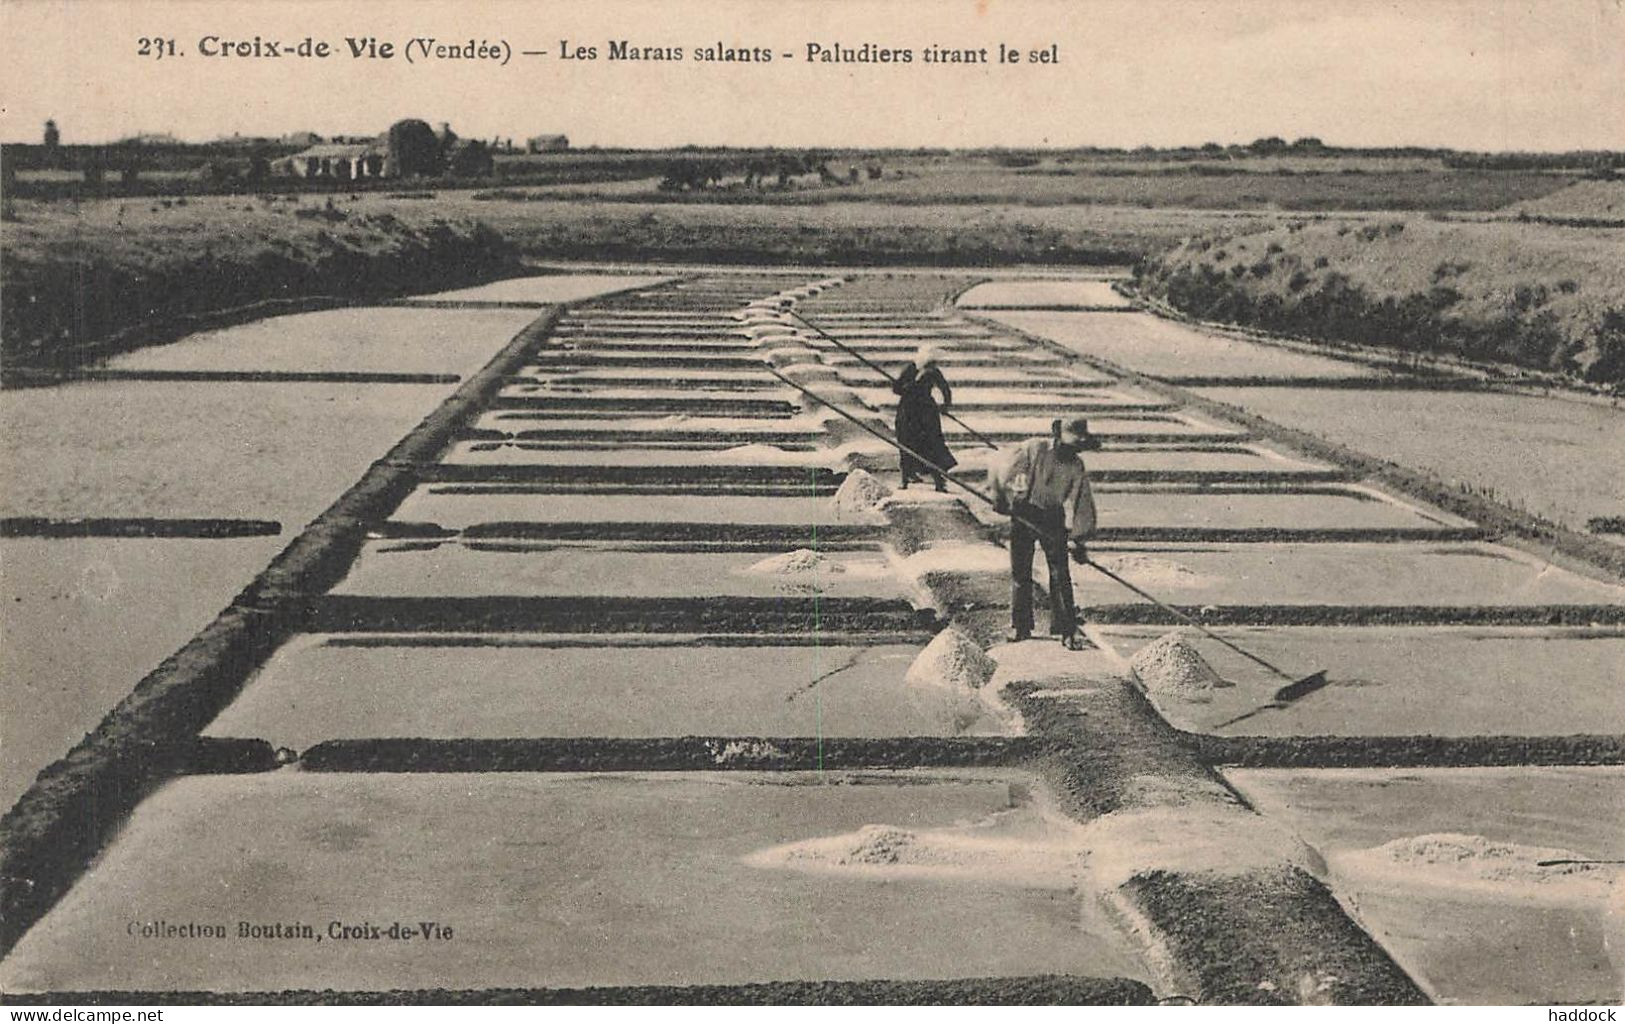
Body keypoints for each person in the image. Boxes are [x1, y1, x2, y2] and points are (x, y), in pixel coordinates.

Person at [988, 417, 1102, 649]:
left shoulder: (1076, 466)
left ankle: (1067, 630)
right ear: (1057, 437)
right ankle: (1021, 627)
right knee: (1021, 573)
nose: (1070, 450)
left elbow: (1082, 503)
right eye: (1067, 444)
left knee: (1060, 574)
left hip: (1052, 518)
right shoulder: (1034, 449)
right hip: (1024, 512)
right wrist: (1001, 499)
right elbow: (1005, 471)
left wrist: (1079, 540)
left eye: (1075, 447)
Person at [891, 346, 956, 492]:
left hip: (924, 413)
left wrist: (945, 406)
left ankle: (938, 481)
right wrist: (907, 387)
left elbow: (945, 389)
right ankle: (907, 478)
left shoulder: (932, 372)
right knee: (906, 443)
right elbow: (896, 388)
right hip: (909, 412)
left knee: (931, 444)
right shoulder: (910, 369)